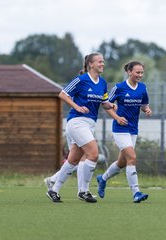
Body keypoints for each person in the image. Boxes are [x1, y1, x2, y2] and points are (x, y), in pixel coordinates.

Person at [46, 52, 126, 203]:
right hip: (76, 122)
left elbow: (104, 102)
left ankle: (54, 189)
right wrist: (78, 107)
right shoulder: (81, 80)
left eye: (103, 62)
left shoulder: (102, 83)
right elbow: (62, 94)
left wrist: (112, 105)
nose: (102, 64)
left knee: (73, 160)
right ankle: (84, 191)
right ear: (90, 64)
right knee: (94, 154)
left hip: (90, 124)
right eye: (99, 62)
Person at [96, 61, 152, 203]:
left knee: (122, 162)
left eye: (141, 72)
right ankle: (136, 192)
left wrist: (146, 109)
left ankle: (102, 179)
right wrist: (117, 117)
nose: (140, 75)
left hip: (133, 129)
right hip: (120, 129)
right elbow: (106, 104)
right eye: (137, 72)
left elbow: (144, 104)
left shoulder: (142, 88)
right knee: (132, 158)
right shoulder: (119, 87)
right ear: (129, 72)